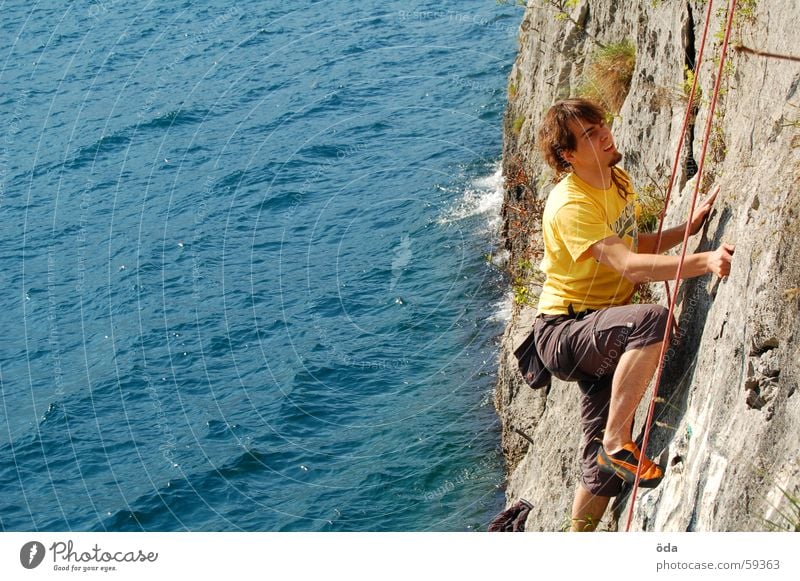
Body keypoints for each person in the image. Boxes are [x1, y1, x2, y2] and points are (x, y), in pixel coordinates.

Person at [533, 98, 734, 531]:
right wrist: (701, 261)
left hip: (603, 329)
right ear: (567, 154)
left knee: (601, 468)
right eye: (589, 134)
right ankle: (618, 439)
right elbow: (626, 265)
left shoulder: (615, 178)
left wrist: (685, 231)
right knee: (653, 321)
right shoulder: (570, 206)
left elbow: (629, 243)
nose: (605, 134)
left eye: (601, 125)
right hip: (565, 331)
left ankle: (578, 541)